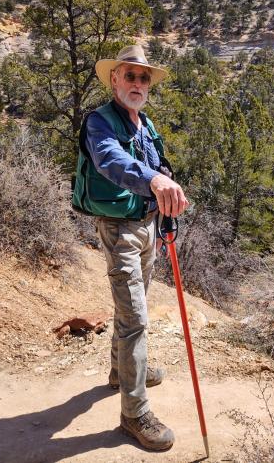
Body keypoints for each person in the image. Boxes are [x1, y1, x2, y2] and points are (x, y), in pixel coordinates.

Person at [72, 45, 189, 451]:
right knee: (135, 317)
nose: (138, 83)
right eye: (130, 75)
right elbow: (109, 160)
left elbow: (157, 165)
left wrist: (164, 194)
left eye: (144, 78)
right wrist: (155, 182)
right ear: (114, 80)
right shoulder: (99, 122)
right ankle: (134, 413)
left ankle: (120, 373)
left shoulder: (145, 123)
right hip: (119, 228)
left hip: (147, 225)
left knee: (131, 306)